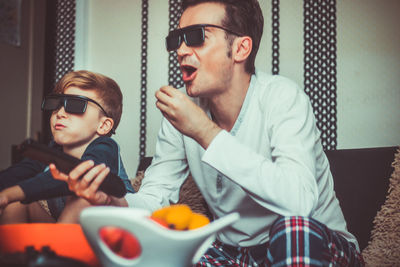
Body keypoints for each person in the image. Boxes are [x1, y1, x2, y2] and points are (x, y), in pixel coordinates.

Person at [52, 0, 364, 266]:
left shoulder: (282, 97)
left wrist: (203, 131)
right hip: (234, 254)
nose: (181, 50)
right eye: (178, 39)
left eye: (196, 37)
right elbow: (155, 197)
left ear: (241, 48)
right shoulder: (183, 114)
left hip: (316, 243)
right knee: (166, 250)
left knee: (292, 229)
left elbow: (300, 203)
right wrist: (113, 201)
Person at [0, 70, 134, 224]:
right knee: (14, 203)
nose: (60, 113)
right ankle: (19, 249)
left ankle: (56, 249)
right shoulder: (53, 151)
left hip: (114, 234)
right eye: (56, 105)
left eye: (76, 105)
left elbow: (79, 174)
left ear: (103, 125)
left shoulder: (105, 148)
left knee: (84, 196)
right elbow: (18, 173)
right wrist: (6, 195)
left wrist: (10, 193)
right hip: (69, 232)